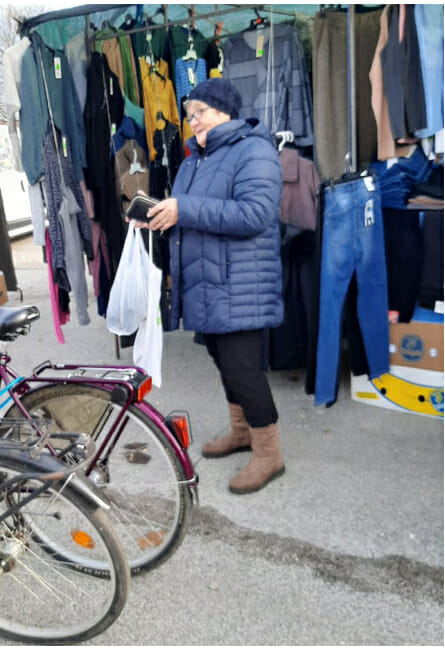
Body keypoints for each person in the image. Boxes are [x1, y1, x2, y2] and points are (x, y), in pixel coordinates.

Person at [143, 77, 285, 494]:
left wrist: (183, 208)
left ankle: (269, 454)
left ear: (224, 110)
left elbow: (255, 214)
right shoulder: (193, 161)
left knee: (245, 371)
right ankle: (241, 432)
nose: (193, 122)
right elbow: (190, 220)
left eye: (199, 112)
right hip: (207, 285)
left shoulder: (254, 149)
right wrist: (157, 218)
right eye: (189, 116)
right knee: (225, 366)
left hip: (241, 284)